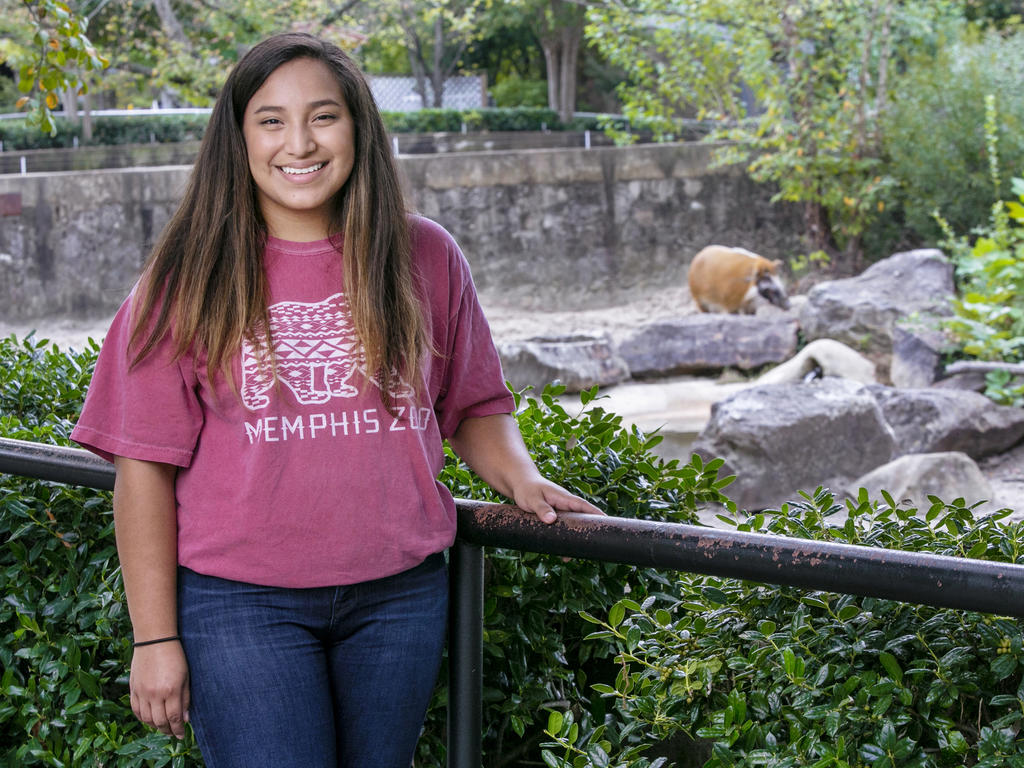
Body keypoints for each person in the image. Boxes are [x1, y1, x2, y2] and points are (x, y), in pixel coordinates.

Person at [71, 32, 601, 768]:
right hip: (241, 604)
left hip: (400, 597)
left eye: (323, 116)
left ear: (357, 126)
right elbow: (143, 470)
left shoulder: (426, 256)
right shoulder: (184, 278)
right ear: (238, 137)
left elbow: (475, 405)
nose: (299, 143)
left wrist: (521, 476)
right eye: (270, 120)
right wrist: (155, 638)